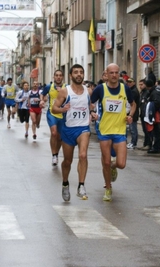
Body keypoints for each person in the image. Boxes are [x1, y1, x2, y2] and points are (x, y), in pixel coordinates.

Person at [90, 63, 136, 201]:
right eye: (112, 73)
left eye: (117, 72)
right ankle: (108, 188)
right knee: (105, 161)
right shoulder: (100, 89)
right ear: (107, 74)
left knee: (121, 163)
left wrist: (130, 115)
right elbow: (91, 103)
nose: (114, 75)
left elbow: (133, 104)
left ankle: (113, 167)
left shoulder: (125, 88)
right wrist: (93, 112)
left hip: (120, 130)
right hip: (104, 130)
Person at [51, 64, 92, 201]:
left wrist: (94, 113)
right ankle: (65, 183)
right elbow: (54, 108)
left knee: (83, 155)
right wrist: (63, 109)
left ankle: (81, 185)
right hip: (68, 129)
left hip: (83, 129)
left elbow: (92, 106)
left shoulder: (88, 91)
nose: (79, 74)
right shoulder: (64, 91)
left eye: (81, 72)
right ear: (70, 75)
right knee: (67, 161)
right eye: (76, 72)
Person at [40, 70, 65, 165]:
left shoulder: (66, 87)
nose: (58, 77)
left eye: (60, 75)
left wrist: (63, 93)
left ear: (62, 77)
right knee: (54, 133)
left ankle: (56, 153)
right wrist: (42, 100)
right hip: (52, 113)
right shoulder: (49, 87)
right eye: (56, 75)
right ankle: (54, 155)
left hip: (63, 115)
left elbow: (71, 98)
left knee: (59, 137)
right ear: (54, 77)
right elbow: (42, 94)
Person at [126, 78, 140, 149]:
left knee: (133, 128)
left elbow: (132, 103)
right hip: (131, 112)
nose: (129, 83)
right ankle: (132, 142)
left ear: (134, 82)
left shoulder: (134, 91)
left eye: (130, 82)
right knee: (131, 128)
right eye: (128, 82)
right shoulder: (131, 90)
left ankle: (133, 143)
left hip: (133, 113)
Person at [138, 78, 151, 150]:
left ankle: (148, 144)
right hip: (142, 113)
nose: (140, 86)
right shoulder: (142, 92)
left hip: (146, 114)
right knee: (144, 130)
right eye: (139, 85)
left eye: (142, 85)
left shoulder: (147, 92)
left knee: (147, 130)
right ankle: (145, 143)